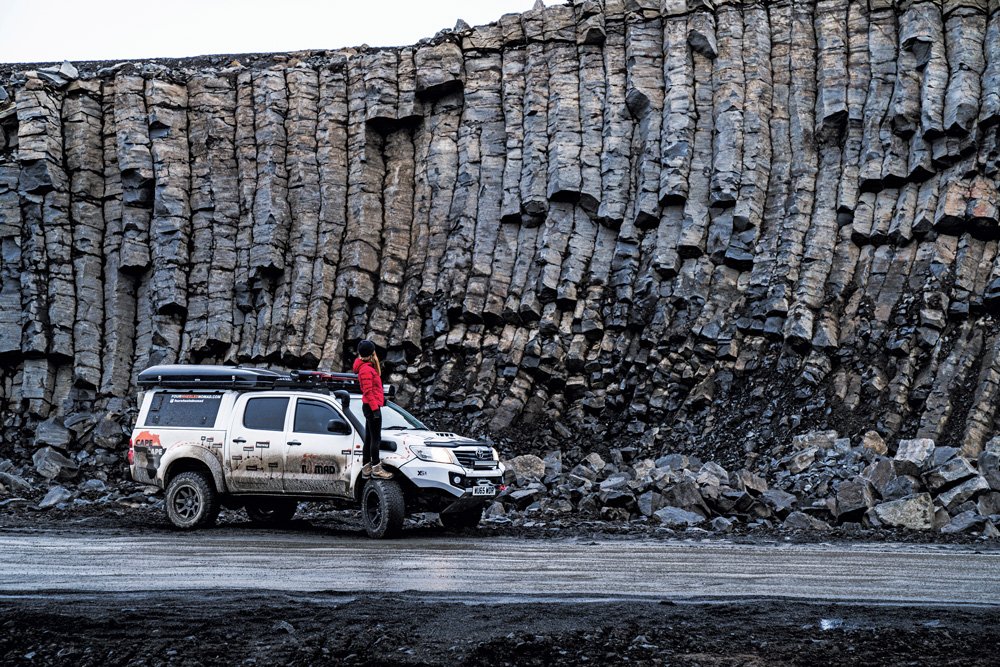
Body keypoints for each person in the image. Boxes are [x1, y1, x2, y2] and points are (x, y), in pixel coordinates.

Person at [353, 339, 392, 479]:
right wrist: (376, 409)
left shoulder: (366, 367)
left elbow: (373, 390)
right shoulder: (365, 370)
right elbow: (368, 392)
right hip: (371, 407)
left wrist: (381, 400)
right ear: (371, 353)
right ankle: (376, 468)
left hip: (370, 406)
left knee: (369, 438)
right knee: (376, 438)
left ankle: (366, 468)